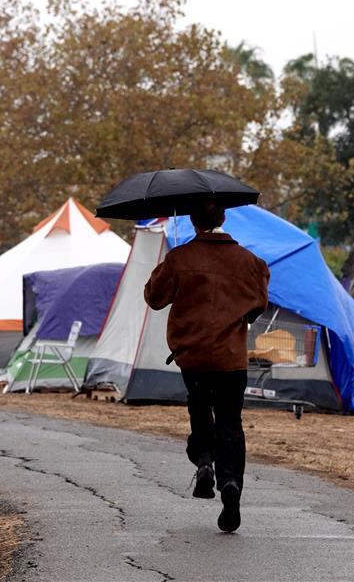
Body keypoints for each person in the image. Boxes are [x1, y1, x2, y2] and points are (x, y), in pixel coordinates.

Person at [144, 201, 269, 533]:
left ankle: (204, 463)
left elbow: (154, 298)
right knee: (231, 422)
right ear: (224, 217)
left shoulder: (180, 259)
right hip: (231, 359)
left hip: (194, 357)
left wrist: (167, 265)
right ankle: (231, 485)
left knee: (200, 411)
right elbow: (258, 305)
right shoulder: (250, 262)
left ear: (192, 220)